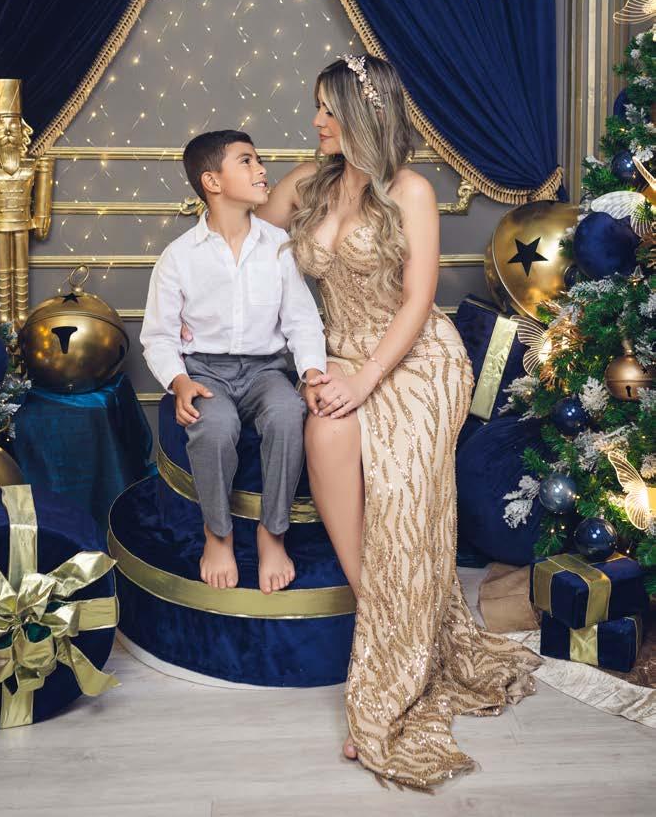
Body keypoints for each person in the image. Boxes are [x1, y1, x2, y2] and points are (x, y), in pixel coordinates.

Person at [258, 55, 540, 791]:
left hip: (414, 357)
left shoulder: (410, 190)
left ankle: (388, 676)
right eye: (318, 107)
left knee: (403, 487)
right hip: (337, 352)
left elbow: (417, 302)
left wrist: (365, 379)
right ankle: (396, 629)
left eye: (328, 109)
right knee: (326, 432)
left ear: (364, 114)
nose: (316, 121)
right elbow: (239, 244)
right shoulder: (307, 185)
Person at [140, 129, 326, 595]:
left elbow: (302, 321)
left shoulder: (279, 246)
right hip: (206, 372)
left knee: (287, 413)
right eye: (247, 161)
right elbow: (158, 336)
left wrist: (311, 371)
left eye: (259, 159)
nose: (261, 169)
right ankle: (217, 533)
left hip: (266, 371)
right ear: (213, 182)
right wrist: (179, 381)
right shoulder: (178, 257)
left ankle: (273, 533)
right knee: (215, 426)